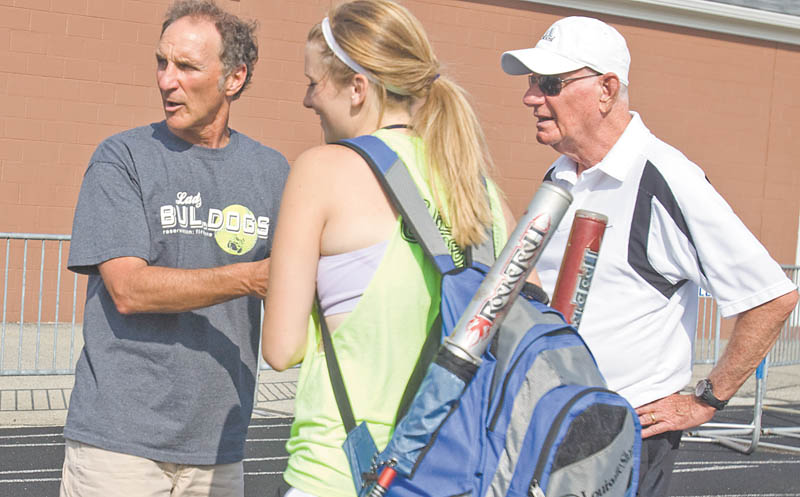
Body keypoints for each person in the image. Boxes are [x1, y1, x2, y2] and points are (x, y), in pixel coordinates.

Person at [500, 15, 799, 497]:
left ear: (606, 89)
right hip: (547, 423)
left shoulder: (665, 176)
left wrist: (706, 401)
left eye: (549, 83)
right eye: (533, 83)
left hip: (621, 437)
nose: (531, 97)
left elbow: (771, 296)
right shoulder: (563, 173)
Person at [260, 1, 526, 496]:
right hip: (449, 472)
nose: (306, 99)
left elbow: (280, 348)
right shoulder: (477, 187)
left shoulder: (322, 169)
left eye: (314, 82)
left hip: (342, 472)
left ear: (357, 88)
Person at [60, 1, 289, 496]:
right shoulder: (122, 157)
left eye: (186, 66)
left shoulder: (273, 173)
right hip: (118, 447)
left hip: (220, 449)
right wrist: (251, 277)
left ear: (234, 78)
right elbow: (128, 289)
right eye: (162, 63)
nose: (167, 80)